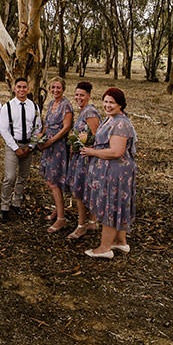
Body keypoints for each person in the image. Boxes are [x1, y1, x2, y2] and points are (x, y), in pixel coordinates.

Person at [80, 87, 138, 259]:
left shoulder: (121, 123)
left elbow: (116, 152)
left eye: (112, 102)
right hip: (113, 171)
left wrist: (92, 152)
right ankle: (120, 241)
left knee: (111, 206)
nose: (107, 105)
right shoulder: (111, 119)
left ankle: (105, 248)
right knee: (118, 204)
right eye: (105, 101)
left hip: (116, 172)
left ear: (120, 104)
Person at [0, 77, 41, 222]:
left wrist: (31, 146)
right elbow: (4, 129)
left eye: (24, 87)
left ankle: (16, 203)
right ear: (14, 88)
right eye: (19, 87)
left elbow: (37, 127)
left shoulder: (34, 107)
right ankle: (4, 206)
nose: (22, 90)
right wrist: (15, 148)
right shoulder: (7, 107)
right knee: (9, 177)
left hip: (28, 146)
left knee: (23, 176)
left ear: (28, 89)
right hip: (12, 145)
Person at [65, 81, 102, 240]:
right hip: (80, 156)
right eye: (77, 94)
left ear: (89, 96)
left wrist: (83, 146)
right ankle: (92, 221)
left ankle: (81, 226)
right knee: (86, 190)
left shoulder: (90, 113)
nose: (78, 97)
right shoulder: (83, 111)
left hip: (87, 159)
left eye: (82, 95)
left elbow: (97, 137)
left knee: (79, 192)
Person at [36, 78, 74, 233]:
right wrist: (40, 136)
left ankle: (61, 219)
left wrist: (50, 140)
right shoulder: (51, 104)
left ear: (63, 89)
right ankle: (58, 210)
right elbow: (46, 125)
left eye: (58, 87)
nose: (55, 90)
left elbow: (66, 128)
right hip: (48, 145)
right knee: (49, 180)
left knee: (54, 182)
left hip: (58, 146)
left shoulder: (66, 105)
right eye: (53, 87)